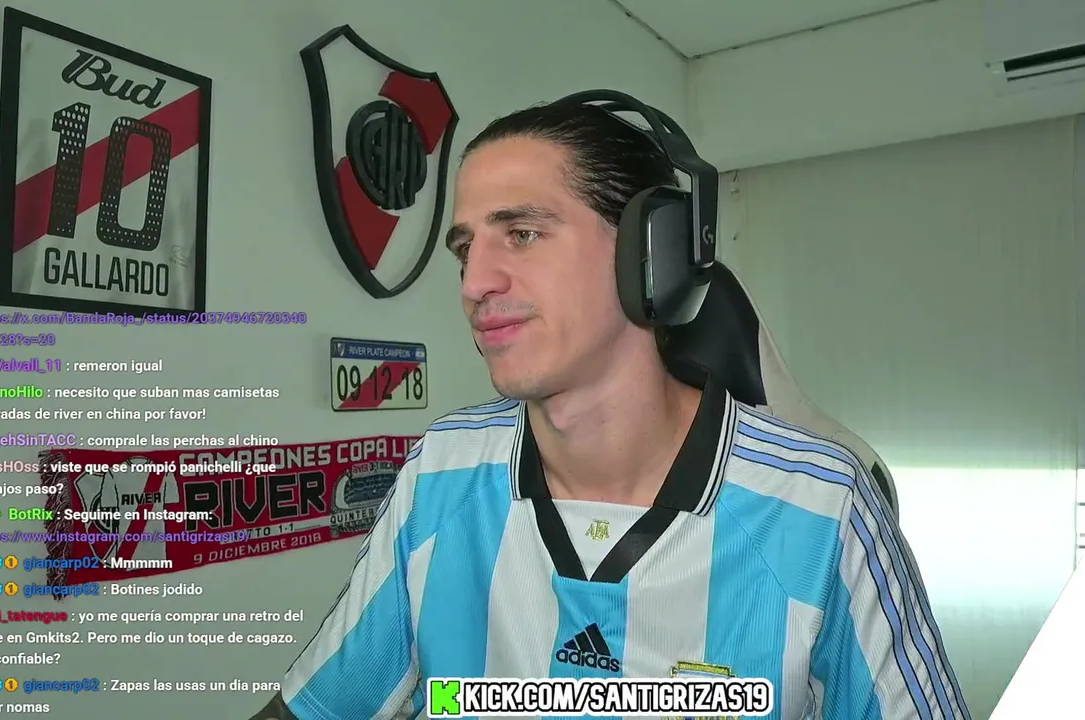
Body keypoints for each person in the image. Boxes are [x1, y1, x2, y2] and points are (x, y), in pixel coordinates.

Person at [251, 95, 969, 720]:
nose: (474, 283)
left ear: (657, 253)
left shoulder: (821, 507)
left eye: (522, 234)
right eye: (466, 249)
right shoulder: (442, 470)